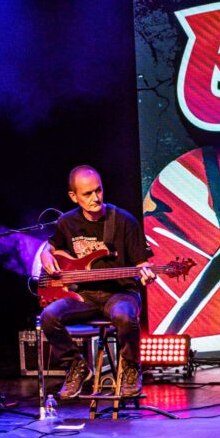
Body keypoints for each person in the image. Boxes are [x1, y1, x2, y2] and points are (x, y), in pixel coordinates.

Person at [39, 165, 154, 399]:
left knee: (125, 317)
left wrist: (146, 273)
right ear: (73, 196)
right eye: (87, 193)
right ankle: (76, 366)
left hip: (121, 293)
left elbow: (142, 263)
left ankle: (131, 368)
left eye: (98, 190)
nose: (96, 198)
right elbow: (50, 247)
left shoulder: (124, 221)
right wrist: (45, 254)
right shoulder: (66, 222)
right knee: (49, 316)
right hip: (84, 296)